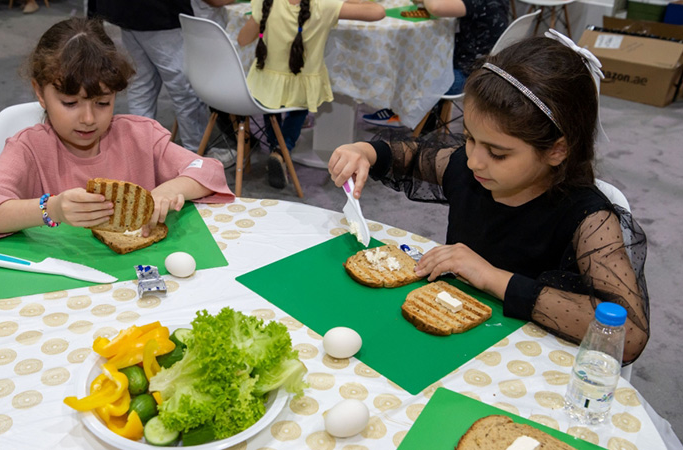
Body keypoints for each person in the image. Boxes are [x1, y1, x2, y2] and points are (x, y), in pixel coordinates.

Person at [328, 33, 649, 364]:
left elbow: (631, 334)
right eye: (469, 138)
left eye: (497, 153)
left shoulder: (589, 219)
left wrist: (491, 276)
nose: (473, 161)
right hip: (451, 337)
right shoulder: (471, 169)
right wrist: (364, 151)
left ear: (557, 150)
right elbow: (408, 157)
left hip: (531, 361)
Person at [0, 17, 234, 246]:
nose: (88, 119)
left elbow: (208, 170)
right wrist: (50, 209)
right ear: (40, 92)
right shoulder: (29, 148)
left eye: (103, 103)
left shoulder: (140, 136)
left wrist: (172, 188)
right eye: (69, 103)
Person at [237, 0, 385, 189]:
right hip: (303, 85)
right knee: (299, 109)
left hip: (265, 84)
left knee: (269, 103)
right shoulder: (324, 5)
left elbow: (242, 40)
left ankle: (277, 147)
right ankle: (281, 152)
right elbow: (378, 11)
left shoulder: (265, 2)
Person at [93, 0, 237, 168]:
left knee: (141, 87)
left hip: (123, 12)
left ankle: (142, 154)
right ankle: (196, 154)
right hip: (160, 14)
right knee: (184, 90)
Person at [362, 0, 508, 129]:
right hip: (479, 69)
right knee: (424, 58)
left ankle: (403, 114)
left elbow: (436, 7)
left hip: (465, 77)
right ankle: (426, 118)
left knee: (413, 66)